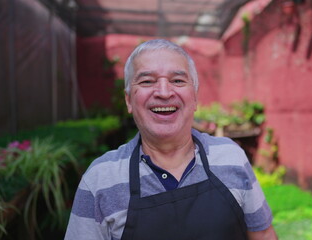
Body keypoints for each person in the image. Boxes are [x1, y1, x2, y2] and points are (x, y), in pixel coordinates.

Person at [64, 39, 278, 240]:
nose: (164, 92)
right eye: (147, 81)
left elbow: (263, 235)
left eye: (177, 80)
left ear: (194, 97)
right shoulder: (100, 179)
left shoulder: (231, 157)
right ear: (129, 100)